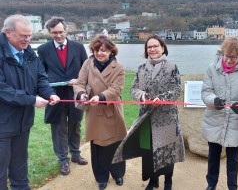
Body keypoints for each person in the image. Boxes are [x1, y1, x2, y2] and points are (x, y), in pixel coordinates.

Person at [112, 34, 185, 190]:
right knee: (149, 150)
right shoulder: (141, 69)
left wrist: (162, 98)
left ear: (163, 48)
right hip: (146, 117)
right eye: (149, 47)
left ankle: (168, 180)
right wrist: (142, 95)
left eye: (155, 46)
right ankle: (153, 180)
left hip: (166, 116)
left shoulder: (172, 67)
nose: (152, 49)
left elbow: (177, 88)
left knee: (167, 150)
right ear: (146, 50)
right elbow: (133, 89)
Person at [0, 14, 60, 190]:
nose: (28, 40)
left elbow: (41, 78)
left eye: (29, 36)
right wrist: (32, 100)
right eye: (23, 36)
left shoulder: (30, 54)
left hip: (23, 124)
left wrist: (50, 93)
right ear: (8, 33)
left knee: (20, 171)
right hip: (2, 125)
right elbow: (2, 89)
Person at [201, 37, 238, 190]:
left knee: (233, 157)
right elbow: (206, 91)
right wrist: (214, 100)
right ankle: (211, 184)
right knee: (213, 155)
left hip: (235, 119)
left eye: (233, 57)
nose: (228, 60)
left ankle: (232, 186)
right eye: (226, 56)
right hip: (215, 118)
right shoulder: (211, 68)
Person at [73, 34, 127, 190]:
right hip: (95, 111)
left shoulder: (119, 67)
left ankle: (118, 174)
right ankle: (101, 177)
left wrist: (101, 96)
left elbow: (116, 89)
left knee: (116, 144)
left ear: (111, 51)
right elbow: (79, 83)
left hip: (112, 110)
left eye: (103, 50)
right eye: (96, 50)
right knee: (98, 147)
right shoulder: (87, 64)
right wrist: (81, 94)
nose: (100, 53)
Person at [37, 16, 88, 175]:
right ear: (49, 32)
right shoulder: (43, 50)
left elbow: (86, 70)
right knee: (58, 127)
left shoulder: (78, 47)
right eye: (54, 33)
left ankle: (75, 154)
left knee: (75, 124)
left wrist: (79, 81)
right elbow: (41, 74)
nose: (58, 35)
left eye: (60, 32)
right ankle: (63, 160)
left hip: (75, 94)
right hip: (55, 95)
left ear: (66, 30)